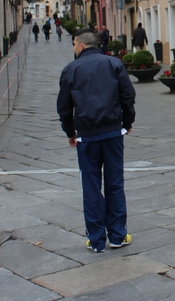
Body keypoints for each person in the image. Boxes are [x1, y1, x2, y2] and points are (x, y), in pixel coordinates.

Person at [57, 28, 136, 253]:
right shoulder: (114, 64)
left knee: (91, 187)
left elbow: (64, 106)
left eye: (73, 43)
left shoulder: (70, 70)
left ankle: (96, 239)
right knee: (115, 183)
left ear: (81, 46)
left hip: (87, 137)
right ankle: (118, 235)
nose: (72, 48)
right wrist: (127, 122)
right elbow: (128, 95)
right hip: (112, 133)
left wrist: (70, 132)